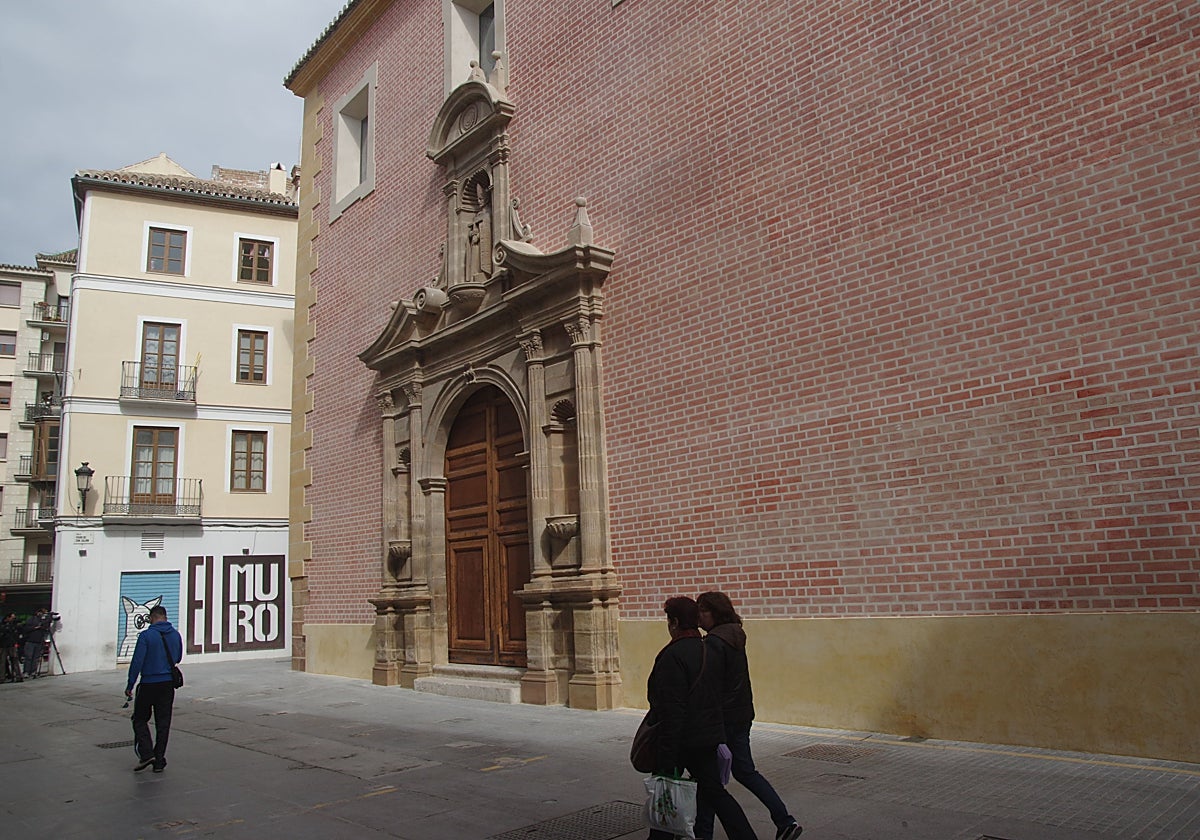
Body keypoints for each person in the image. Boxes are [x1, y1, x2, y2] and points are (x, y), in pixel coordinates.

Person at [644, 596, 758, 840]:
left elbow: (671, 709)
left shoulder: (673, 656)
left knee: (667, 793)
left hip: (682, 740)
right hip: (708, 736)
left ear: (674, 622)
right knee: (716, 793)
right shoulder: (709, 648)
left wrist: (666, 755)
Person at [695, 591, 801, 840]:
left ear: (716, 613)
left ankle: (703, 833)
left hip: (723, 719)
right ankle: (784, 820)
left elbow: (711, 685)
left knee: (709, 778)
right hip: (741, 714)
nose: (699, 616)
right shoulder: (735, 635)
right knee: (743, 772)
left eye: (703, 610)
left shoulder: (714, 643)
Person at [124, 604, 182, 773]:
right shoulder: (176, 635)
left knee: (140, 719)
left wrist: (130, 685)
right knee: (163, 723)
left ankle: (147, 753)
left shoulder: (146, 636)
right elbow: (177, 657)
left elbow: (137, 662)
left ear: (151, 617)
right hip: (167, 685)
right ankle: (159, 760)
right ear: (165, 616)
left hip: (149, 683)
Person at [20, 607, 51, 679]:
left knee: (36, 658)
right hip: (30, 641)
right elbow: (26, 628)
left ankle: (33, 671)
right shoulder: (31, 619)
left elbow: (46, 627)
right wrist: (35, 627)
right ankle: (26, 671)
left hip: (39, 641)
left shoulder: (43, 620)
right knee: (29, 657)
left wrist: (48, 619)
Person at [0, 613, 22, 682]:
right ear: (8, 618)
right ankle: (2, 677)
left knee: (15, 661)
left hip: (12, 644)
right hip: (3, 645)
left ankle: (18, 676)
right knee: (2, 662)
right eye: (12, 618)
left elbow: (17, 633)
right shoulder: (2, 625)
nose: (13, 620)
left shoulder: (14, 626)